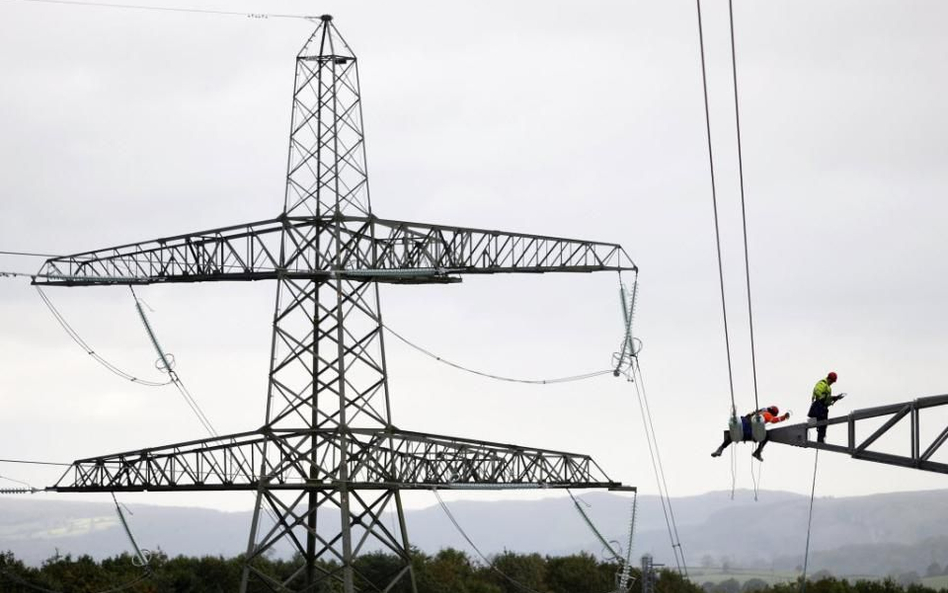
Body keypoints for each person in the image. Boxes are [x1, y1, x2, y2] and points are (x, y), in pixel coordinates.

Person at [711, 406, 791, 461]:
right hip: (750, 433)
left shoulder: (757, 412)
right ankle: (758, 452)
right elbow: (773, 420)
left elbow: (746, 417)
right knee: (766, 435)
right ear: (773, 413)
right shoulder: (767, 414)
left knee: (733, 435)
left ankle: (720, 449)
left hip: (742, 427)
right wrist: (784, 417)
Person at [808, 371, 844, 443]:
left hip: (822, 407)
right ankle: (819, 438)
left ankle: (820, 439)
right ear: (829, 379)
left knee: (823, 424)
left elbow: (826, 401)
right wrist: (823, 398)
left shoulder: (828, 387)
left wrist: (834, 398)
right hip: (818, 406)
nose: (832, 383)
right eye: (832, 381)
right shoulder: (822, 384)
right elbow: (817, 392)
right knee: (821, 422)